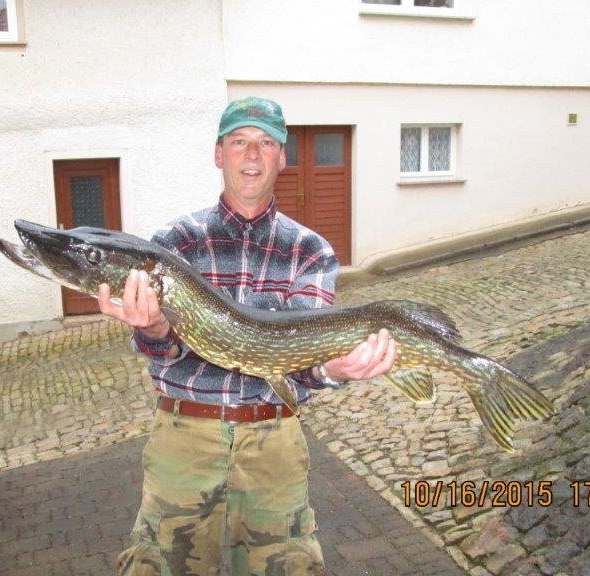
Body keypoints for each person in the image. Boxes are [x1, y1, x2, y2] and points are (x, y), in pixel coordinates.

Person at [100, 97, 397, 575]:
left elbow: (305, 363)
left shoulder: (310, 250)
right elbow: (160, 349)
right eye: (239, 141)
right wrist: (153, 327)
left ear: (282, 158)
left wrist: (334, 368)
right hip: (184, 436)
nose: (252, 154)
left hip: (273, 440)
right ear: (219, 154)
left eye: (266, 143)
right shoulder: (175, 242)